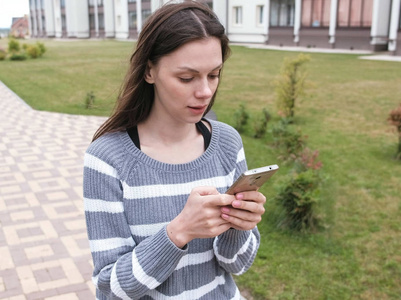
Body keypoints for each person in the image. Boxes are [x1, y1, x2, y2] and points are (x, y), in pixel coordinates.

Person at [83, 1, 266, 299]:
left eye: (214, 74)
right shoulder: (107, 159)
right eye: (186, 78)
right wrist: (179, 232)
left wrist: (239, 227)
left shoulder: (227, 143)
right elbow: (110, 288)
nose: (205, 91)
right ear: (149, 71)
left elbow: (238, 263)